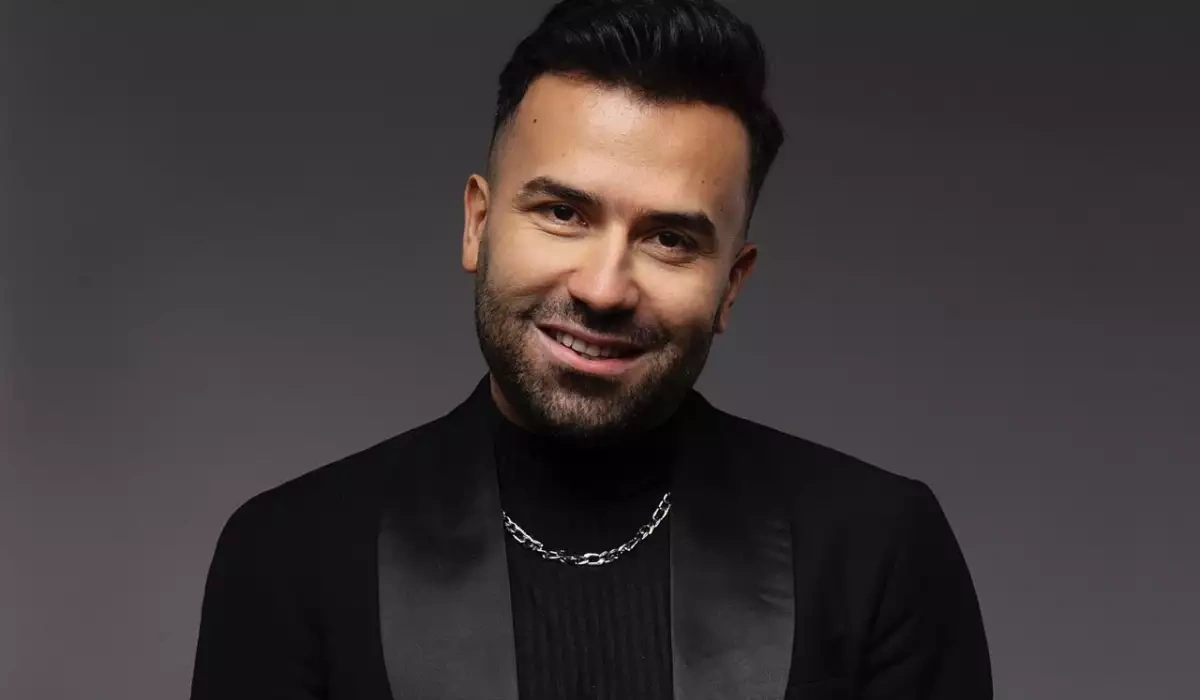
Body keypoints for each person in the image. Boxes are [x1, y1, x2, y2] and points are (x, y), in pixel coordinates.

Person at [189, 0, 993, 698]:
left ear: (731, 284)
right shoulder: (291, 557)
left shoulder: (878, 551)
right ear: (477, 224)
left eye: (670, 238)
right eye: (564, 213)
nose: (604, 289)